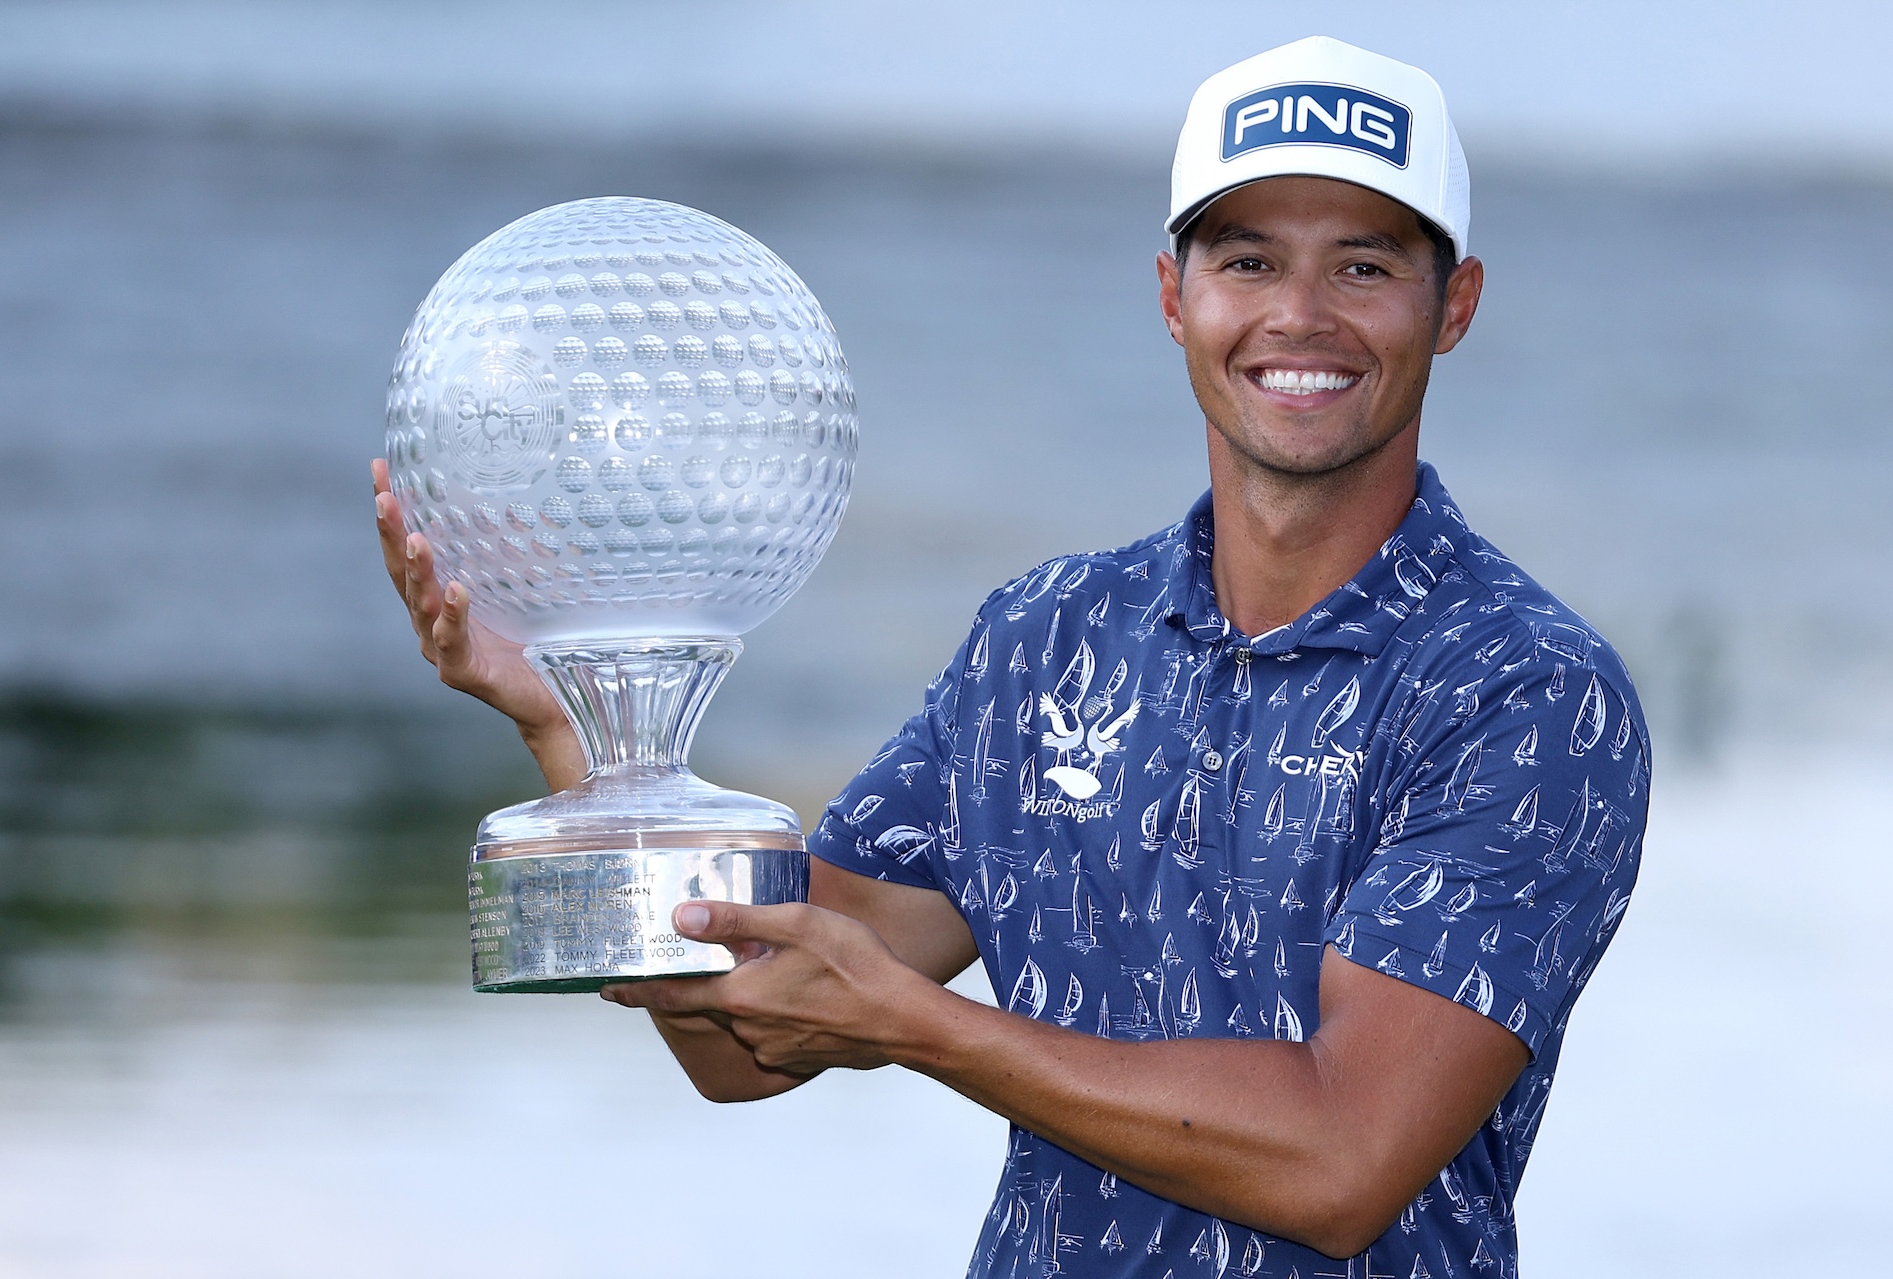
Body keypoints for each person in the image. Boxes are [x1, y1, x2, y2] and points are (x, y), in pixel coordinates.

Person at [374, 35, 1647, 1279]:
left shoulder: (1526, 692)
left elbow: (1342, 1160)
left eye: (1363, 266)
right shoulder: (1045, 638)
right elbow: (751, 1037)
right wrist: (591, 747)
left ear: (1455, 304)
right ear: (1173, 297)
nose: (1298, 318)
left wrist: (921, 1026)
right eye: (1248, 259)